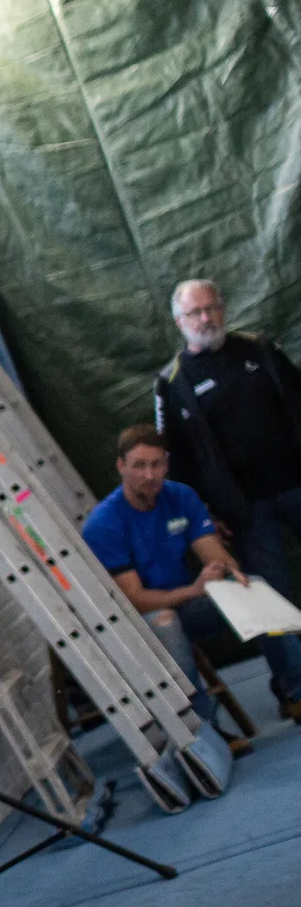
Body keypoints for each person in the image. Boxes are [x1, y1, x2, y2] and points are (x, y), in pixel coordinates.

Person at [81, 425, 301, 719]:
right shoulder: (102, 524)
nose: (150, 474)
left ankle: (295, 692)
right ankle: (200, 730)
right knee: (166, 622)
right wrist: (195, 589)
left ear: (166, 464)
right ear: (121, 467)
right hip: (142, 620)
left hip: (189, 605)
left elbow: (216, 556)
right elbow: (134, 599)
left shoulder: (181, 496)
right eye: (140, 466)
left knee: (252, 586)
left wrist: (227, 572)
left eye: (157, 464)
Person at [155, 279, 301, 721]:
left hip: (297, 484)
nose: (207, 318)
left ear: (223, 308)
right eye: (196, 313)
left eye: (212, 308)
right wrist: (206, 516)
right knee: (268, 599)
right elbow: (173, 463)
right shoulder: (172, 384)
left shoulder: (259, 349)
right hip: (246, 511)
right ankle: (294, 688)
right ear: (180, 323)